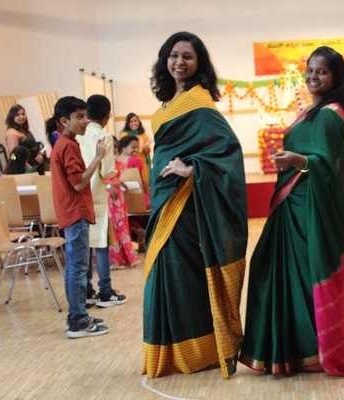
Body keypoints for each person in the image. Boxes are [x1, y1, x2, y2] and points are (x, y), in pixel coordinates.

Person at [239, 46, 344, 377]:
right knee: (271, 271)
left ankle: (310, 352)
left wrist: (299, 160)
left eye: (322, 71)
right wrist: (292, 161)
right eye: (310, 70)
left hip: (311, 210)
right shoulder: (313, 111)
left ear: (336, 77)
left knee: (303, 278)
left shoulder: (332, 115)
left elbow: (331, 168)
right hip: (291, 206)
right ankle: (287, 351)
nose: (313, 76)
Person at [142, 31, 248, 379]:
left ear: (198, 62)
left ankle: (197, 352)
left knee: (179, 273)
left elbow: (227, 149)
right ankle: (173, 351)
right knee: (167, 273)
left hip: (184, 203)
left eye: (187, 56)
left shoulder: (198, 100)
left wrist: (193, 169)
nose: (179, 62)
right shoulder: (169, 102)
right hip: (163, 199)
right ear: (165, 59)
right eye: (174, 55)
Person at [50, 96, 109, 338]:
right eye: (79, 117)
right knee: (77, 267)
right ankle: (78, 321)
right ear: (65, 121)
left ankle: (77, 316)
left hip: (71, 212)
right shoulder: (68, 145)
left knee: (75, 267)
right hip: (76, 212)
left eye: (86, 116)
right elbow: (78, 183)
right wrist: (98, 157)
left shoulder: (64, 143)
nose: (85, 121)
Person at [77, 94, 127, 308]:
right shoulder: (104, 137)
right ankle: (105, 291)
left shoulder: (78, 134)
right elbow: (107, 171)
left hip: (78, 193)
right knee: (101, 244)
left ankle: (87, 291)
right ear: (107, 116)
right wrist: (117, 174)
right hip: (96, 196)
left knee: (85, 245)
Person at [106, 136, 141, 269]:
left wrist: (121, 184)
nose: (113, 149)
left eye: (115, 146)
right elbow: (99, 180)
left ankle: (124, 257)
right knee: (112, 226)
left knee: (122, 224)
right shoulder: (101, 163)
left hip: (118, 196)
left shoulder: (119, 164)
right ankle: (114, 259)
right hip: (107, 196)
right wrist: (109, 186)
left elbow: (116, 179)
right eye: (111, 146)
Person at [117, 134, 149, 252]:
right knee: (154, 203)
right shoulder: (134, 160)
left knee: (131, 213)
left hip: (119, 199)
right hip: (136, 198)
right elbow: (142, 183)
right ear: (124, 147)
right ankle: (141, 231)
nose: (136, 150)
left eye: (137, 147)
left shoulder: (115, 160)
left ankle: (136, 229)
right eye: (133, 147)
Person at [5, 104, 45, 174]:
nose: (21, 117)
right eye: (17, 115)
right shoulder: (12, 133)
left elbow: (34, 146)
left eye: (23, 114)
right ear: (12, 117)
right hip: (25, 170)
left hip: (35, 165)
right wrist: (29, 168)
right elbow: (14, 156)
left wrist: (40, 155)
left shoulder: (25, 129)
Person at [120, 112, 151, 186]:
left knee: (145, 184)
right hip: (130, 162)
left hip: (143, 162)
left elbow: (146, 151)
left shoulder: (142, 134)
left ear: (138, 122)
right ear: (128, 123)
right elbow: (124, 150)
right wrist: (141, 144)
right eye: (131, 121)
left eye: (135, 121)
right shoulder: (124, 134)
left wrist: (146, 146)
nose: (134, 123)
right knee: (134, 184)